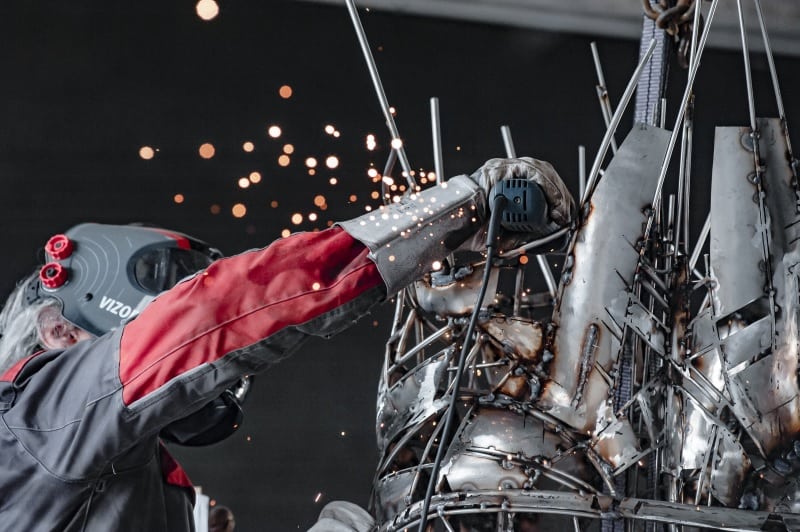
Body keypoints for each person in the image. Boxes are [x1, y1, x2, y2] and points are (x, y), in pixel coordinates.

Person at [0, 157, 573, 530]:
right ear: (58, 331)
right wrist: (450, 215)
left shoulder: (115, 481)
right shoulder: (36, 416)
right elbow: (220, 311)